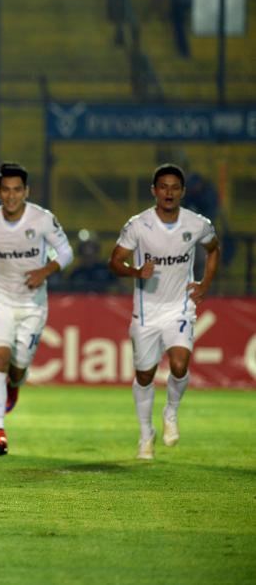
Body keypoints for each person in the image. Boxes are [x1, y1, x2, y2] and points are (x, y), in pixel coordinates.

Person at [109, 164, 219, 460]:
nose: (169, 192)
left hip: (179, 308)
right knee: (144, 376)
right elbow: (115, 261)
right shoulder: (138, 225)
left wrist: (205, 284)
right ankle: (146, 434)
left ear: (182, 192)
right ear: (154, 191)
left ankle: (170, 413)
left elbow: (213, 248)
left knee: (180, 364)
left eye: (174, 187)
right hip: (145, 313)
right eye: (163, 187)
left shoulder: (196, 224)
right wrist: (136, 271)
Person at [0, 163, 74, 456]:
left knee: (18, 365)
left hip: (32, 305)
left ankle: (15, 382)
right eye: (6, 190)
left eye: (17, 190)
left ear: (26, 192)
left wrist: (45, 270)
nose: (11, 196)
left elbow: (66, 251)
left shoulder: (42, 219)